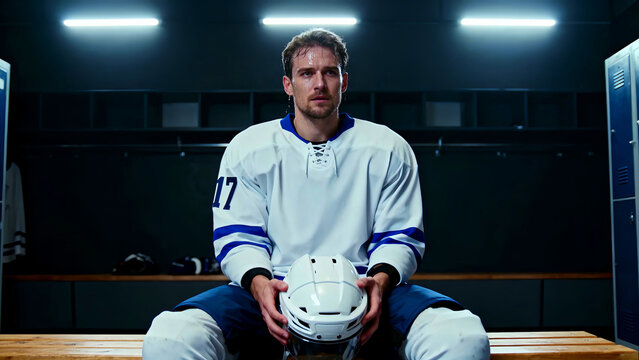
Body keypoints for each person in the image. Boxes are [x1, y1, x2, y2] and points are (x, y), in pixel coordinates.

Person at [143, 28, 490, 360]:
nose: (319, 83)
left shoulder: (387, 147)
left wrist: (379, 285)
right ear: (288, 85)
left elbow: (400, 237)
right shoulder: (248, 148)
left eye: (330, 73)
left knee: (460, 337)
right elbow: (238, 235)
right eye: (306, 73)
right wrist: (260, 285)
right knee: (170, 339)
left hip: (365, 285)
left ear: (344, 81)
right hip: (275, 288)